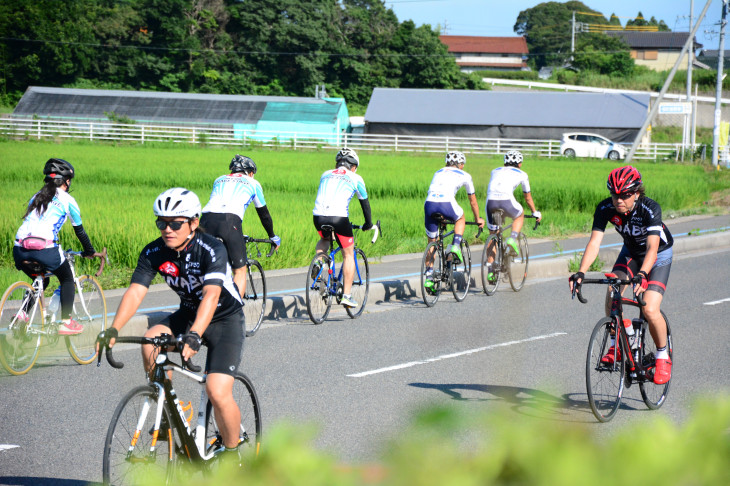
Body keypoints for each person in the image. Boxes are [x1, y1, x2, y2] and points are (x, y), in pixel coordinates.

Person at [97, 188, 245, 456]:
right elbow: (135, 291)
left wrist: (196, 335)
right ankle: (169, 407)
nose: (168, 229)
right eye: (161, 223)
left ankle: (232, 453)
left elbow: (211, 296)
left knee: (216, 390)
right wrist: (113, 329)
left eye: (176, 223)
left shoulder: (212, 249)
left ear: (194, 223)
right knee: (150, 344)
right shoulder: (154, 251)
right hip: (189, 314)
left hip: (224, 318)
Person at [568, 166, 673, 385]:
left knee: (649, 308)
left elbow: (652, 248)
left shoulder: (649, 208)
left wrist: (643, 274)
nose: (619, 200)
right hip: (631, 253)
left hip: (658, 254)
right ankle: (619, 342)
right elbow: (594, 242)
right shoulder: (605, 208)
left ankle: (663, 355)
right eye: (614, 194)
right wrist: (580, 272)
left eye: (625, 195)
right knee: (612, 288)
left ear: (636, 192)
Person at [13, 158, 97, 335]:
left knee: (41, 278)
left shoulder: (36, 196)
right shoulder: (68, 200)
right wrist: (89, 251)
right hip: (45, 248)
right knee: (66, 279)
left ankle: (21, 315)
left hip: (19, 248)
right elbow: (79, 231)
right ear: (66, 180)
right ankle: (66, 322)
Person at [200, 154, 280, 299]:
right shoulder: (253, 183)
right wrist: (272, 236)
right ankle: (235, 313)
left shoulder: (219, 179)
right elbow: (264, 215)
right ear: (250, 172)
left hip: (204, 220)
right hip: (230, 222)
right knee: (239, 271)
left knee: (204, 265)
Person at [312, 148, 373, 308]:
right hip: (339, 218)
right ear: (353, 167)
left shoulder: (325, 174)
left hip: (318, 216)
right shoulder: (356, 178)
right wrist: (368, 223)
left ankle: (318, 263)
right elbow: (364, 204)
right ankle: (346, 295)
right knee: (348, 254)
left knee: (326, 238)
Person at [423, 151, 485, 290]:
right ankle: (456, 245)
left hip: (429, 204)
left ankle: (428, 277)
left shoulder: (438, 172)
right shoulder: (465, 175)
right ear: (460, 164)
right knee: (460, 217)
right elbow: (472, 201)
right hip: (447, 203)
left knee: (432, 242)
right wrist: (477, 219)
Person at [483, 150, 541, 283]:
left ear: (505, 162)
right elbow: (527, 197)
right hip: (506, 200)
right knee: (519, 215)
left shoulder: (495, 170)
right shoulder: (522, 174)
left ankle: (491, 271)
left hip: (490, 202)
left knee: (493, 234)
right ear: (520, 164)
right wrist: (534, 212)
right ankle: (512, 239)